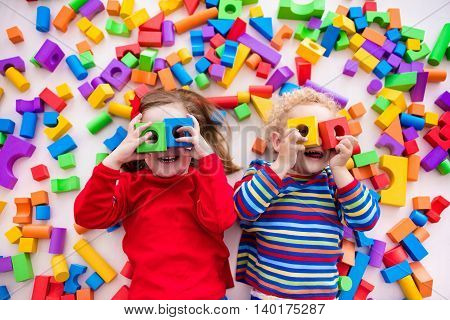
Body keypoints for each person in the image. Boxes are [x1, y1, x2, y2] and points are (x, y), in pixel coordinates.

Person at [74, 89, 239, 299]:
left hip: (207, 298)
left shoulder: (205, 181)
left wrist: (207, 157)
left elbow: (221, 220)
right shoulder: (131, 185)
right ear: (140, 142)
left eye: (178, 134)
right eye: (154, 136)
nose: (168, 146)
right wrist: (114, 161)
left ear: (193, 140)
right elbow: (87, 216)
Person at [234, 87, 380, 300]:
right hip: (269, 297)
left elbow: (366, 221)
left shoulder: (334, 181)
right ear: (277, 142)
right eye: (305, 131)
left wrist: (340, 169)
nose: (316, 141)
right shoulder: (262, 173)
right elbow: (242, 210)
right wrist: (281, 164)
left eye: (325, 133)